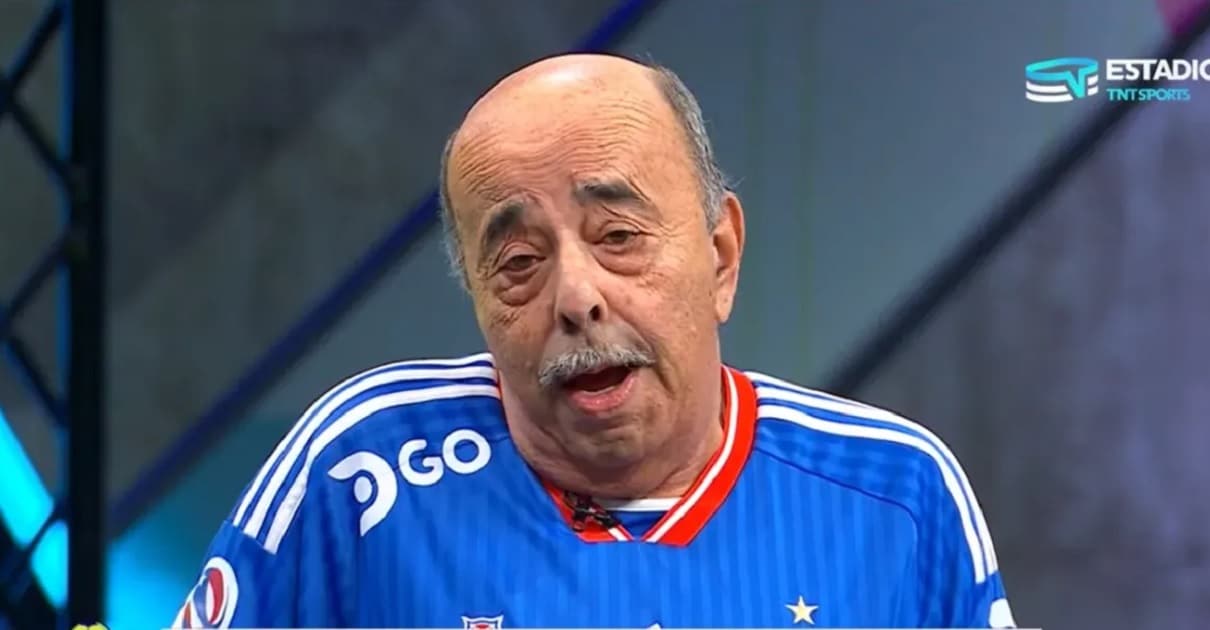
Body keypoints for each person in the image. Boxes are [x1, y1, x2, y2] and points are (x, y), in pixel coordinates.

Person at [171, 53, 1016, 629]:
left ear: (720, 255)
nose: (576, 298)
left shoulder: (896, 490)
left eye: (617, 237)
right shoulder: (365, 470)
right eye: (519, 263)